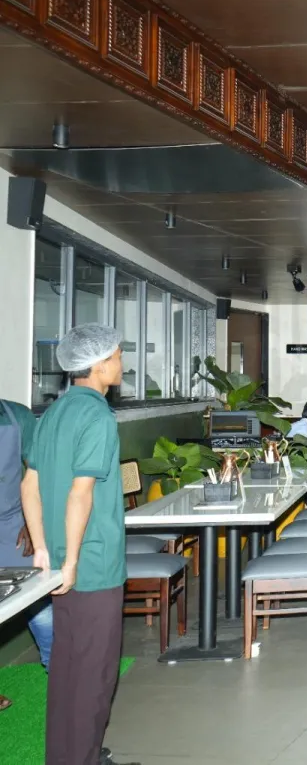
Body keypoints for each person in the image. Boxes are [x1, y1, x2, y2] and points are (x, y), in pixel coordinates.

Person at [21, 324, 134, 765]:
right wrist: (70, 562)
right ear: (100, 364)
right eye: (118, 356)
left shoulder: (51, 414)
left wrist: (43, 550)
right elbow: (80, 493)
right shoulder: (98, 417)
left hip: (58, 563)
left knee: (66, 671)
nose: (121, 364)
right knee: (93, 677)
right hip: (93, 566)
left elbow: (30, 487)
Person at [0, 397, 52, 714]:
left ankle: (60, 675)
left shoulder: (16, 415)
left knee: (41, 608)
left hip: (13, 527)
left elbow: (42, 471)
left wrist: (36, 524)